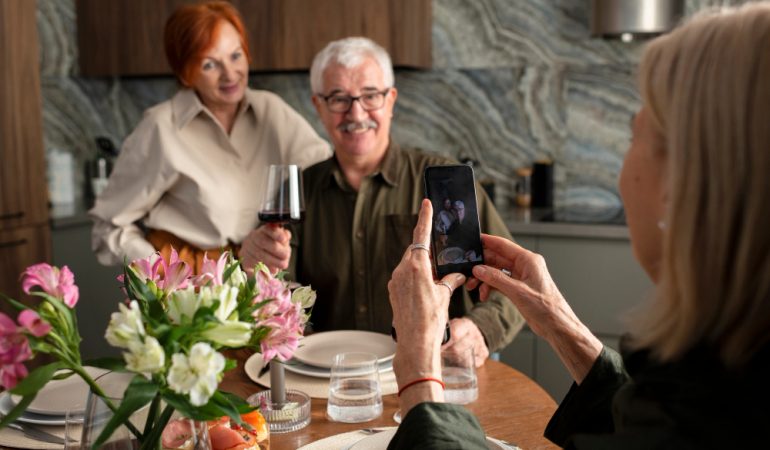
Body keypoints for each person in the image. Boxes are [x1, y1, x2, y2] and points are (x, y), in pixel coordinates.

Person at [386, 4, 770, 448]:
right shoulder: (729, 380)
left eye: (634, 136)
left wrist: (418, 370)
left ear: (685, 183)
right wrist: (556, 321)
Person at [240, 37, 524, 365]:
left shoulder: (445, 182)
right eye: (338, 98)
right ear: (318, 106)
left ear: (391, 100)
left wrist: (480, 329)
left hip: (436, 372)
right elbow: (272, 299)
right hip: (333, 384)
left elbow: (514, 279)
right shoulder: (295, 192)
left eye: (370, 96)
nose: (356, 112)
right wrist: (252, 268)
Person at [89, 1, 330, 273]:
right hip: (189, 287)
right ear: (185, 73)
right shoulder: (160, 127)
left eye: (236, 56)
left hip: (258, 277)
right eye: (209, 65)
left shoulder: (271, 110)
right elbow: (108, 226)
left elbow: (327, 172)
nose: (230, 74)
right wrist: (163, 273)